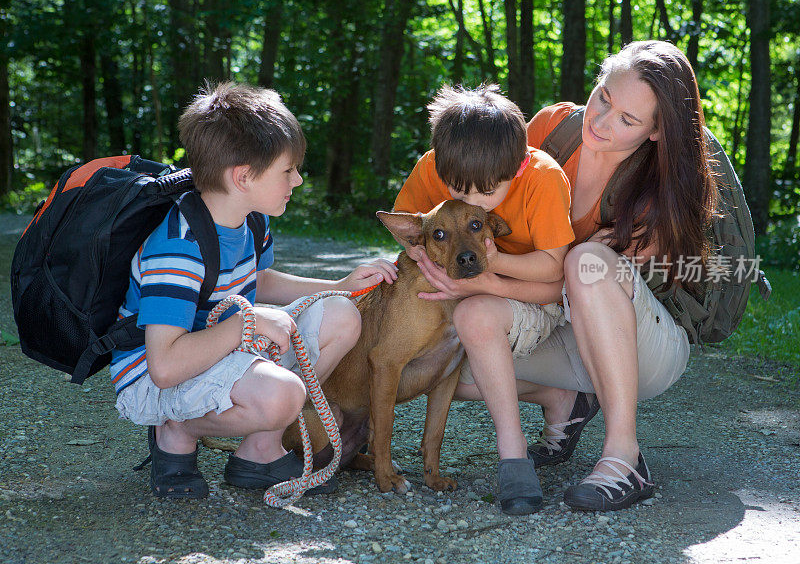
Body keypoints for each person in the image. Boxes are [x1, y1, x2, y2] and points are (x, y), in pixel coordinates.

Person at [418, 41, 717, 512]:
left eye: (628, 120)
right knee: (442, 363)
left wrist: (489, 278)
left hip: (643, 345)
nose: (600, 122)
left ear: (659, 131)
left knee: (586, 262)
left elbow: (572, 286)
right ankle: (563, 400)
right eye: (603, 97)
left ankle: (625, 455)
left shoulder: (658, 193)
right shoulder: (552, 127)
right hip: (557, 322)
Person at [110, 82, 397, 499]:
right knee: (283, 393)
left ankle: (260, 451)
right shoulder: (179, 246)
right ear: (243, 176)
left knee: (340, 314)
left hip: (224, 349)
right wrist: (250, 322)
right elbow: (165, 366)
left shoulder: (252, 220)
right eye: (288, 170)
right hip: (157, 379)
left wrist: (338, 285)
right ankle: (173, 430)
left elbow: (259, 282)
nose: (297, 179)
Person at [394, 84, 575, 515]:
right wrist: (421, 252)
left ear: (519, 165)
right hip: (470, 292)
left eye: (486, 194)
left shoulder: (544, 177)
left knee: (472, 317)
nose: (471, 204)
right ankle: (558, 396)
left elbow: (552, 271)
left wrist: (487, 275)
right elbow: (410, 233)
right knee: (438, 373)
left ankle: (512, 454)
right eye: (458, 193)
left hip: (533, 296)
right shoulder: (433, 167)